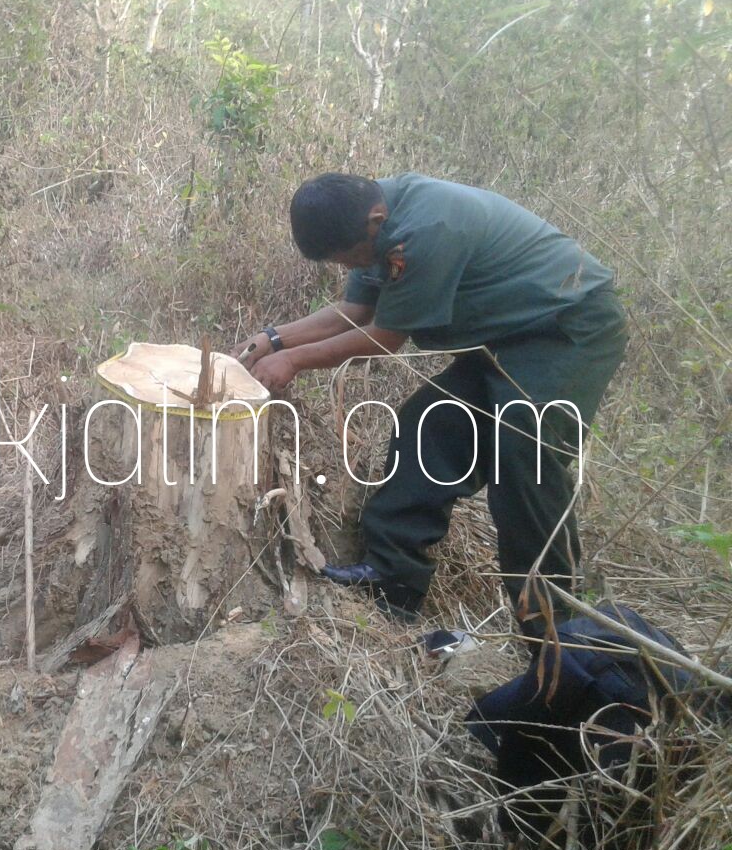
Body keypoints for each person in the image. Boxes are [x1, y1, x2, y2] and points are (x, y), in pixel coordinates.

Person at [235, 173, 627, 630]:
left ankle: (558, 629)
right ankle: (393, 581)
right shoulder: (363, 214)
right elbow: (355, 311)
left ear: (375, 223)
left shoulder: (428, 229)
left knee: (524, 457)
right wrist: (272, 340)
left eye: (350, 259)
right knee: (428, 424)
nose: (349, 269)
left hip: (567, 326)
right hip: (501, 336)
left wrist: (294, 361)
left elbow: (384, 337)